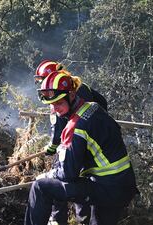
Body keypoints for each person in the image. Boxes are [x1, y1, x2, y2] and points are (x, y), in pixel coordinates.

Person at [24, 71, 138, 225]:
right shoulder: (94, 107)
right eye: (51, 104)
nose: (55, 109)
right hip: (123, 185)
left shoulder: (75, 127)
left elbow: (67, 175)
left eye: (59, 103)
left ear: (71, 95)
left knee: (40, 187)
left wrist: (48, 175)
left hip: (104, 188)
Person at [34, 60, 109, 224]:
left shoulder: (57, 95)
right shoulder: (77, 85)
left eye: (43, 80)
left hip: (72, 142)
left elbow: (58, 129)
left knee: (60, 177)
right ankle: (82, 220)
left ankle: (57, 220)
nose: (43, 86)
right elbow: (102, 102)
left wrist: (52, 148)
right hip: (90, 146)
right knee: (83, 179)